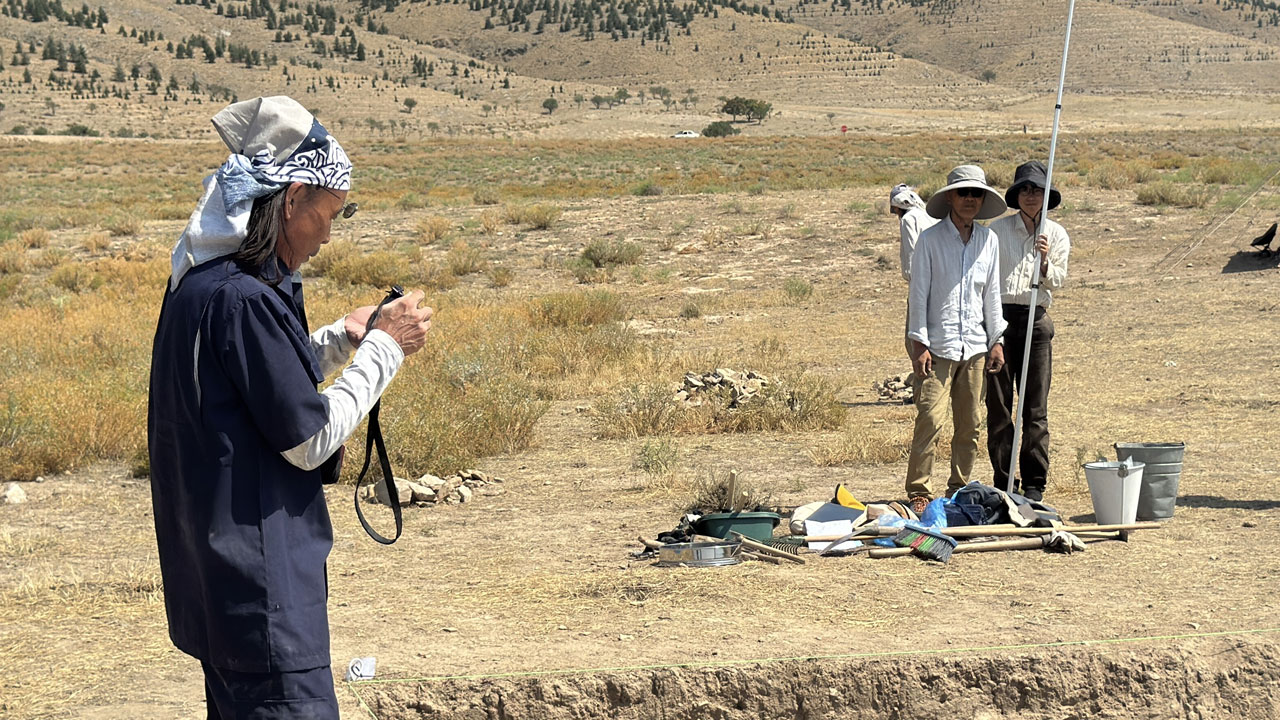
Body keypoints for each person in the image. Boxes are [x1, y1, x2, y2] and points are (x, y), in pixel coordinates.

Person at [148, 96, 433, 718]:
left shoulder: (200, 286)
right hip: (266, 596)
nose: (330, 232)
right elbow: (307, 437)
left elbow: (252, 383)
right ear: (293, 198)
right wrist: (385, 349)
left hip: (219, 591)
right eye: (330, 212)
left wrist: (339, 342)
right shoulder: (245, 299)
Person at [904, 165, 1007, 512]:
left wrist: (997, 340)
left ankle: (958, 487)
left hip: (976, 346)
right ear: (950, 197)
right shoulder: (930, 240)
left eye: (976, 194)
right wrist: (919, 343)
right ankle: (919, 489)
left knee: (970, 424)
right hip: (938, 345)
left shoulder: (988, 240)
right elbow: (918, 293)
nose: (969, 200)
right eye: (963, 193)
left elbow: (992, 294)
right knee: (930, 418)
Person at [986, 161, 1071, 502]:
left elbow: (1060, 280)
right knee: (1000, 406)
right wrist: (991, 331)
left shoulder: (1057, 234)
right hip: (1000, 320)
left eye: (1037, 190)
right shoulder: (996, 231)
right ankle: (1004, 479)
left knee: (1035, 407)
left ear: (1046, 195)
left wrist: (1046, 261)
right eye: (1025, 189)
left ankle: (1035, 483)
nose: (1031, 196)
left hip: (1036, 318)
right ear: (1016, 195)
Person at [889, 183, 938, 362]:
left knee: (914, 339)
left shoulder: (909, 219)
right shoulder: (926, 215)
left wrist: (913, 283)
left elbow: (911, 254)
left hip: (921, 284)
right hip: (939, 282)